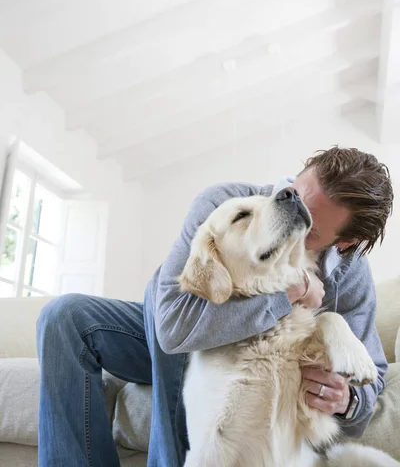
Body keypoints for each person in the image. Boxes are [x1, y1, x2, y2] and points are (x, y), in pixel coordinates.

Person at [36, 146, 394, 467]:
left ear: (346, 242)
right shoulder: (227, 203)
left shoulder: (350, 275)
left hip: (265, 361)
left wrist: (348, 399)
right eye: (293, 194)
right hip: (180, 344)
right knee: (65, 317)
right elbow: (173, 324)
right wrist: (289, 291)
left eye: (310, 227)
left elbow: (370, 373)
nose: (292, 214)